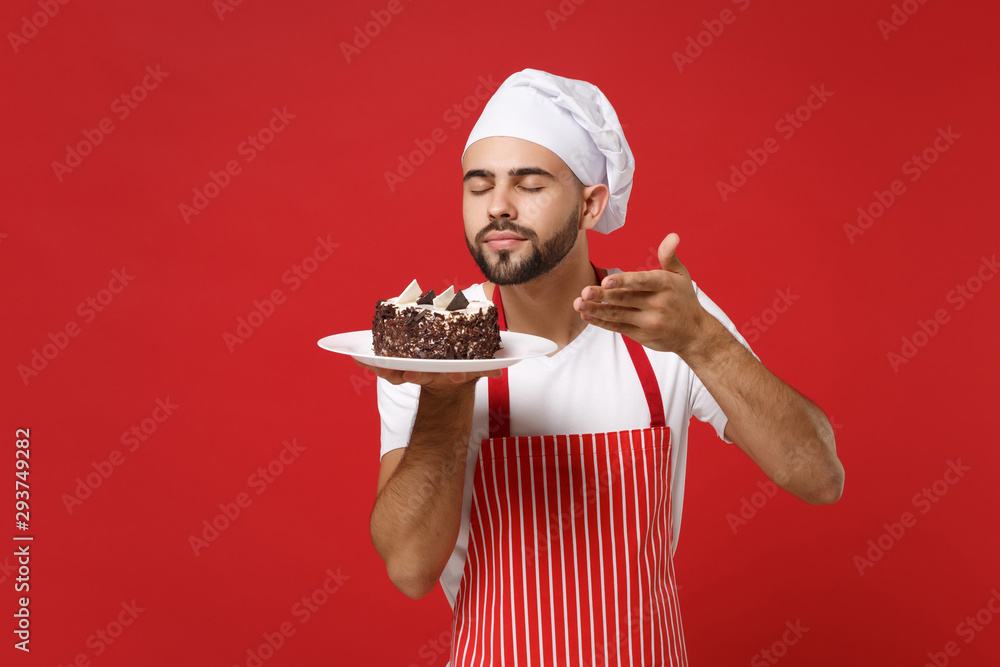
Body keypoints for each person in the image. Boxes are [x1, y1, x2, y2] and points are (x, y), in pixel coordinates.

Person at [359, 68, 844, 667]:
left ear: (590, 204)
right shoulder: (435, 344)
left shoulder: (669, 322)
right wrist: (448, 392)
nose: (499, 207)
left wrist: (705, 342)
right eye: (478, 186)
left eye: (529, 184)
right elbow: (409, 569)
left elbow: (820, 477)